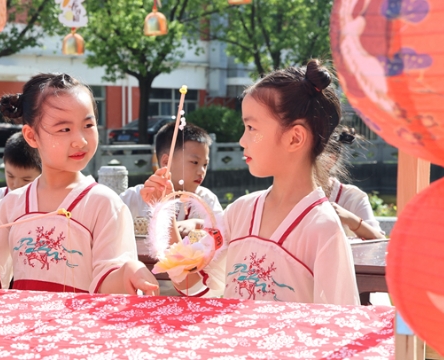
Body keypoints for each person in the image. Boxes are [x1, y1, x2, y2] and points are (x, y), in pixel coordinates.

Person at [143, 60, 359, 305]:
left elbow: (342, 322)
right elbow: (191, 283)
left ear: (295, 137)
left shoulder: (323, 229)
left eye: (251, 127)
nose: (242, 140)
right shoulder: (238, 212)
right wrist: (165, 208)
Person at [0, 73, 159, 295]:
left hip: (78, 325)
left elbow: (106, 287)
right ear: (31, 136)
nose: (80, 140)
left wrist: (127, 271)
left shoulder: (103, 203)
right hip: (24, 324)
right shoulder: (12, 203)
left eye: (88, 125)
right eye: (64, 129)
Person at [120, 122, 223, 236]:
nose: (201, 171)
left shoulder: (206, 199)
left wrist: (198, 223)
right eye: (194, 162)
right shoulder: (134, 197)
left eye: (205, 164)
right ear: (166, 162)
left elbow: (223, 232)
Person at [327, 127, 384, 240]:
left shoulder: (352, 197)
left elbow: (379, 242)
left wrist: (350, 219)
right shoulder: (286, 193)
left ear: (331, 158)